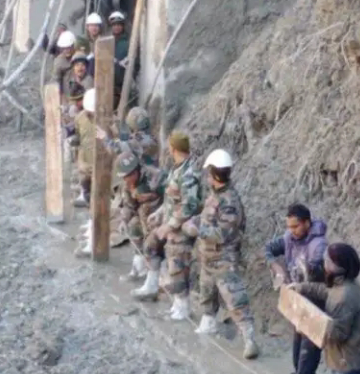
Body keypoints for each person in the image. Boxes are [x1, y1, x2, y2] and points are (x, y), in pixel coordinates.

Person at [182, 149, 260, 360]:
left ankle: (249, 340)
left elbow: (223, 233)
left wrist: (197, 230)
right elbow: (206, 217)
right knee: (207, 297)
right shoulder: (214, 196)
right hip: (208, 260)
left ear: (215, 174)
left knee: (236, 300)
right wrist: (194, 221)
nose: (206, 176)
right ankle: (208, 326)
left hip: (224, 260)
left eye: (209, 172)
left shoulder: (230, 201)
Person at [131, 131, 203, 321]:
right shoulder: (176, 169)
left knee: (177, 267)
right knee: (150, 245)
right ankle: (151, 285)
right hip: (169, 223)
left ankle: (182, 307)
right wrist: (159, 212)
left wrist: (169, 226)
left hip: (182, 229)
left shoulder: (188, 174)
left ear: (173, 148)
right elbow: (172, 198)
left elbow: (189, 206)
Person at [264, 204, 328, 374]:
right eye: (289, 227)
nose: (291, 230)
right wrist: (276, 267)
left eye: (295, 226)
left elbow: (316, 274)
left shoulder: (319, 245)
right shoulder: (289, 237)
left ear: (307, 223)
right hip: (298, 300)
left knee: (308, 352)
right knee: (297, 349)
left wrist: (305, 269)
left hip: (314, 303)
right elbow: (268, 248)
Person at [289, 243, 360, 374]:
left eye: (327, 261)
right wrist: (301, 287)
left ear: (336, 268)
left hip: (346, 364)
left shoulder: (343, 298)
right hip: (348, 358)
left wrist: (306, 326)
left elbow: (337, 335)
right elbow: (326, 291)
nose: (324, 263)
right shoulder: (347, 284)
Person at [115, 151, 167, 282]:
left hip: (160, 217)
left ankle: (156, 275)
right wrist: (124, 220)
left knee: (152, 243)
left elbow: (170, 199)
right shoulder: (127, 185)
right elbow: (129, 205)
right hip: (144, 218)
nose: (125, 180)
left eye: (127, 176)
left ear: (134, 172)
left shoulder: (155, 177)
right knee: (133, 225)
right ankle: (139, 268)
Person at [70, 89, 97, 220]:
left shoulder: (108, 119)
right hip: (85, 156)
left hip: (100, 158)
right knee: (85, 178)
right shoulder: (80, 118)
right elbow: (77, 134)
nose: (91, 115)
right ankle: (85, 194)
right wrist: (74, 139)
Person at [51, 30, 77, 102]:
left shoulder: (79, 57)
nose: (67, 50)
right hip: (67, 97)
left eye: (69, 47)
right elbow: (56, 80)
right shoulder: (59, 62)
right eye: (64, 48)